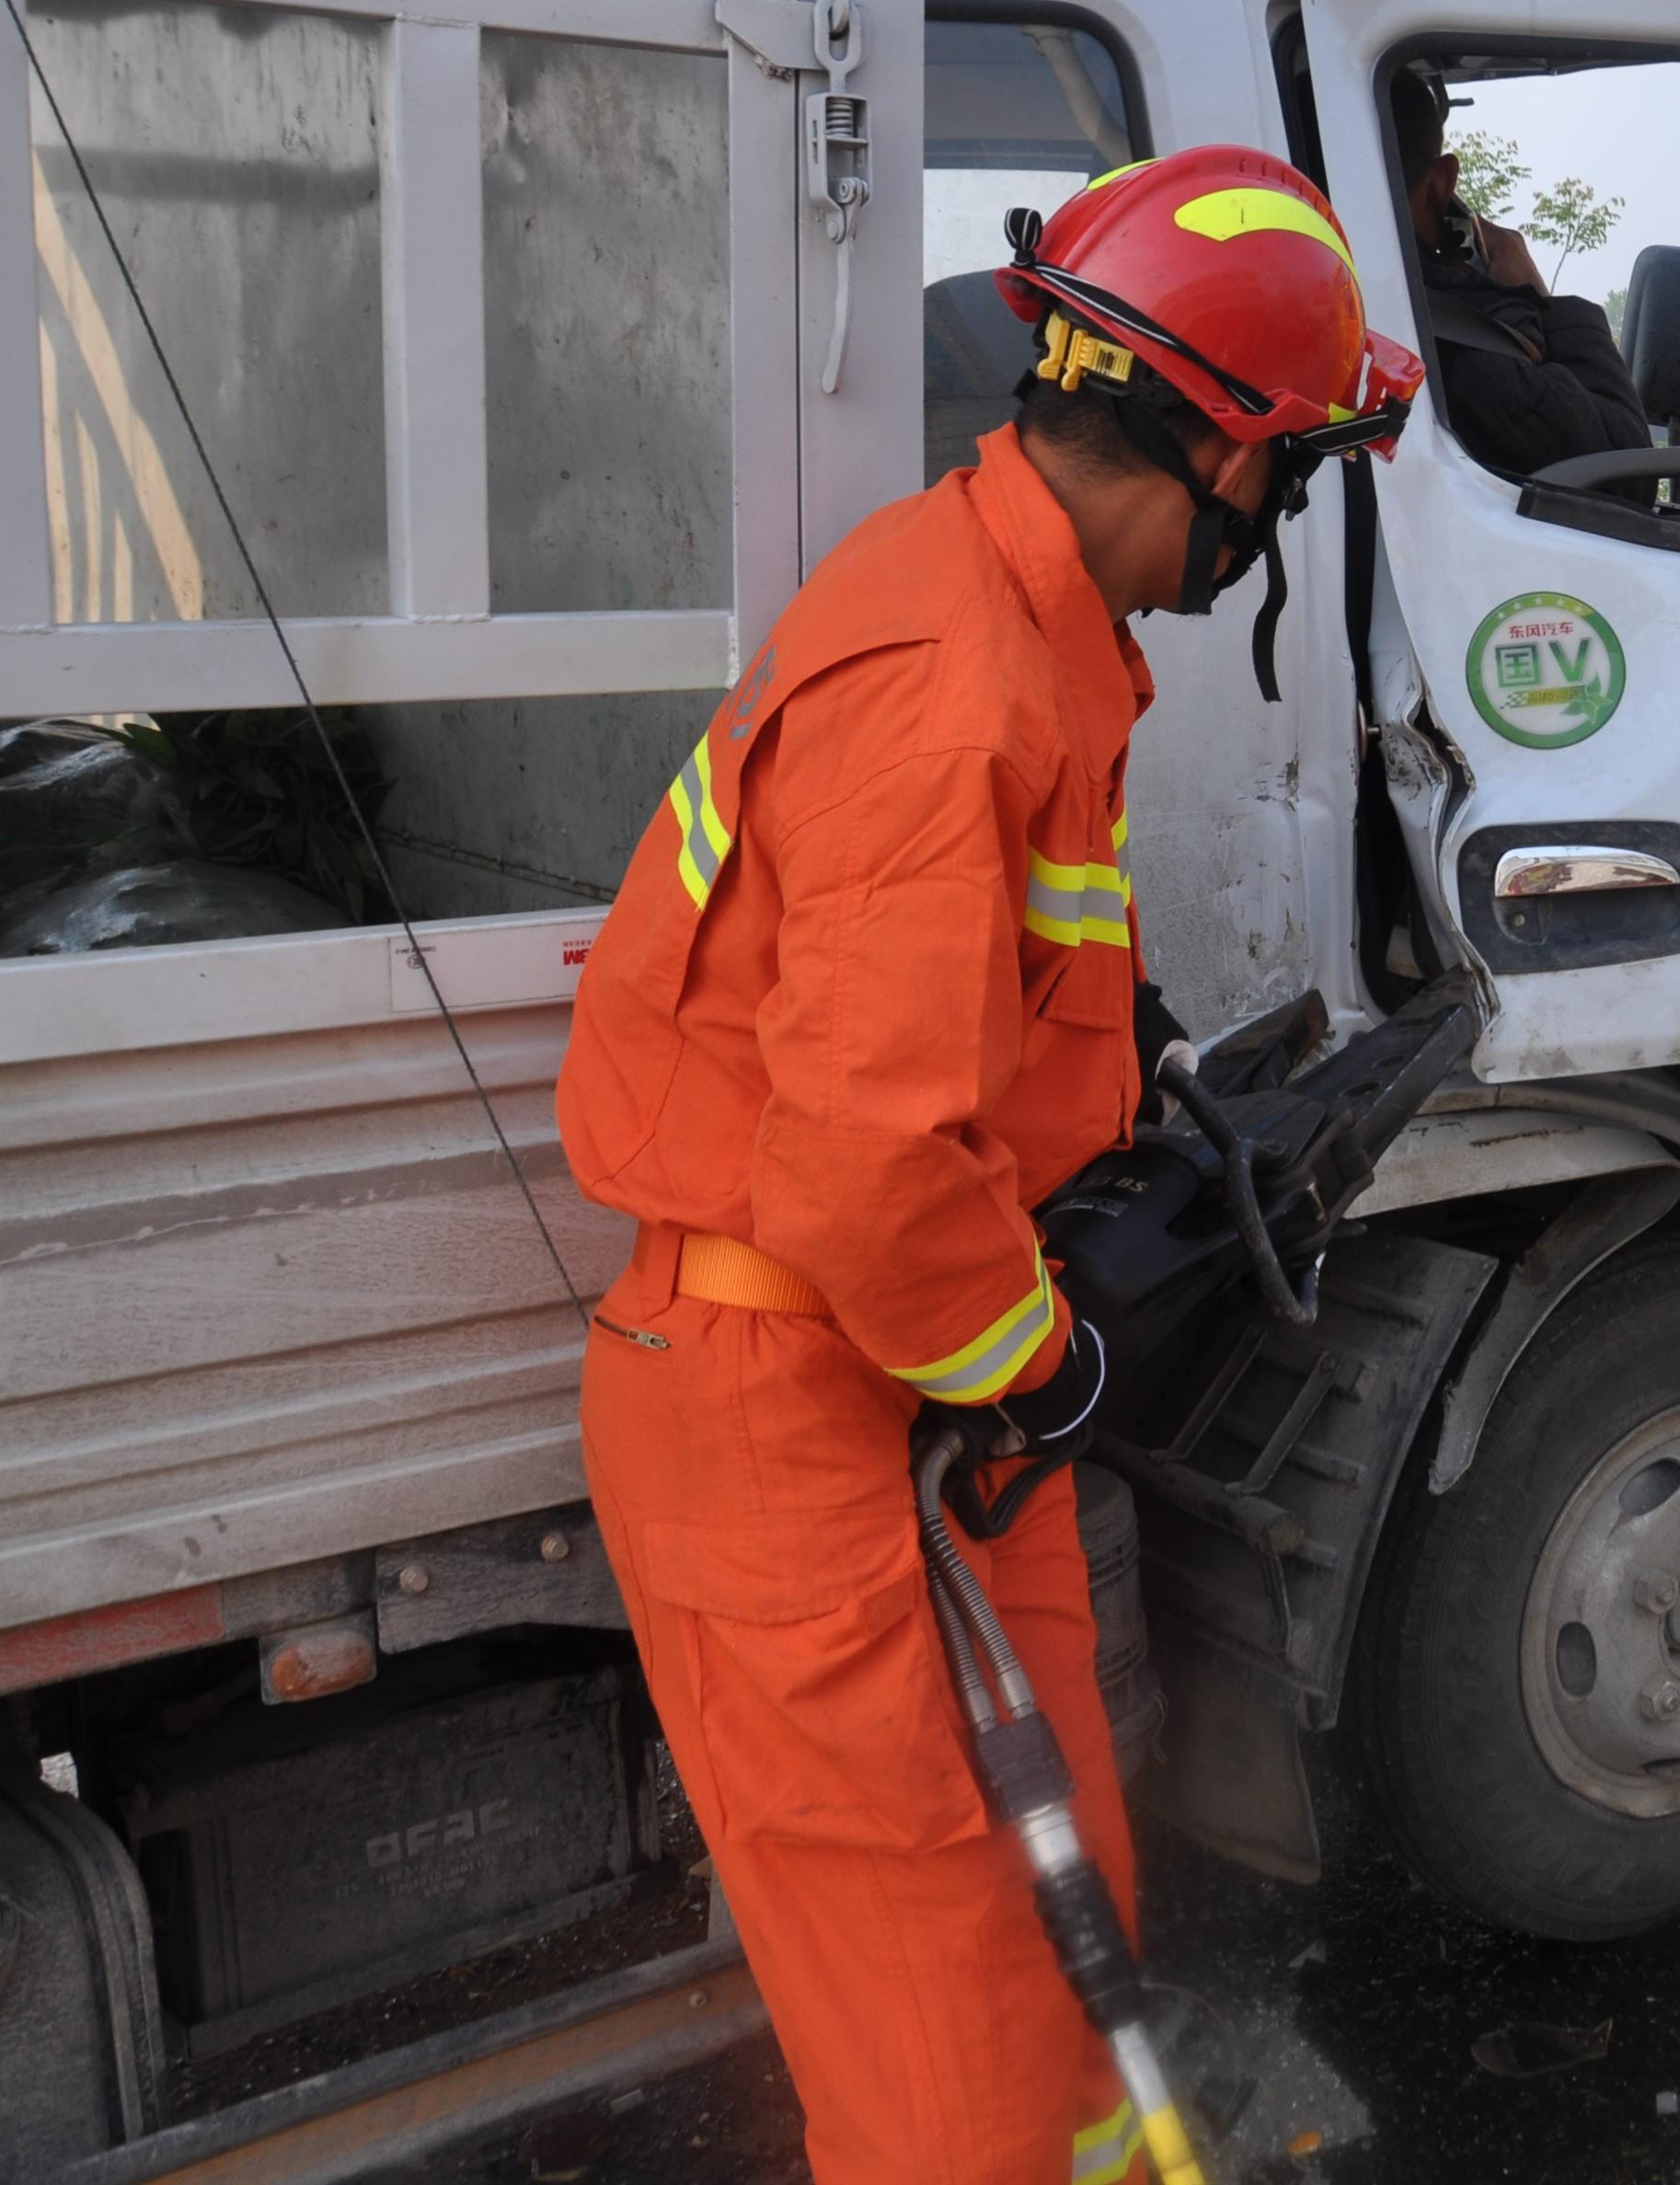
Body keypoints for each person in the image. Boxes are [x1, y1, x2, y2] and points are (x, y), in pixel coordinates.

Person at [553, 146, 1416, 2185]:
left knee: (1057, 1906)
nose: (1274, 520)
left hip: (912, 1359)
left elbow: (943, 1003)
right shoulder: (953, 681)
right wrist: (1030, 1357)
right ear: (1213, 451)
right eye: (1286, 475)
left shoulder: (995, 594)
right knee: (940, 2004)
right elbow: (862, 1168)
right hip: (797, 1384)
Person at [1391, 66, 1649, 477]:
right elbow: (1625, 466)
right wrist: (1538, 302)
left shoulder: (1322, 300)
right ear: (1443, 184)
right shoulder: (1467, 350)